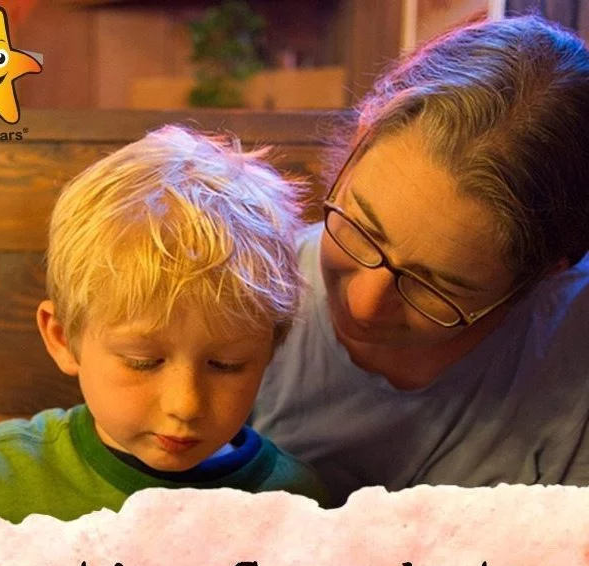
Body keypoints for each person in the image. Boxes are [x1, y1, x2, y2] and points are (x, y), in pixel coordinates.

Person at [0, 125, 328, 522]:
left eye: (227, 364)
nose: (185, 405)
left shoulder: (298, 507)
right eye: (143, 361)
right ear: (61, 337)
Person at [252, 14, 589, 504]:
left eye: (437, 287)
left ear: (547, 274)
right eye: (361, 229)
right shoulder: (244, 297)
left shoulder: (574, 348)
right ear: (360, 142)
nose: (365, 305)